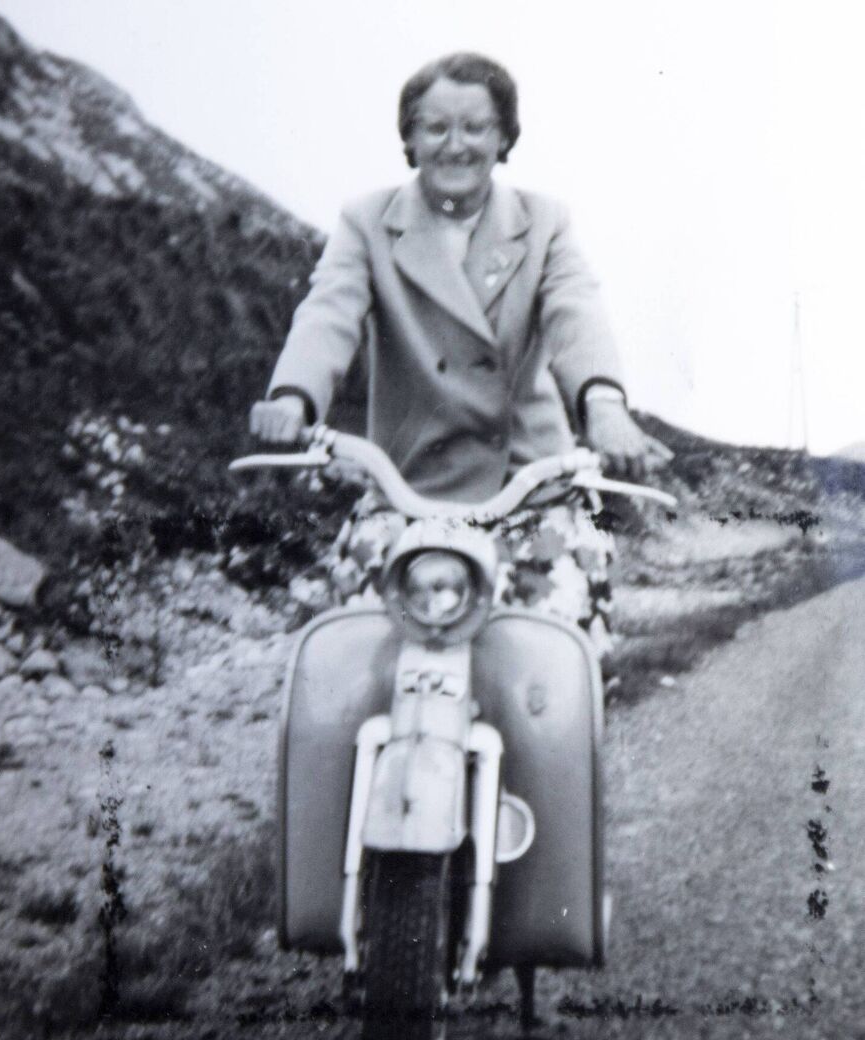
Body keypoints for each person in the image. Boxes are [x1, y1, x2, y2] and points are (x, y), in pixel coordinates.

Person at [250, 52, 671, 652]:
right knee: (350, 647)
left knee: (561, 659)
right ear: (410, 139)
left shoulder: (544, 222)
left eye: (475, 127)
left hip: (529, 487)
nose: (456, 145)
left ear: (504, 138)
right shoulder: (367, 222)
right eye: (435, 127)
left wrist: (604, 406)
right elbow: (328, 312)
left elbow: (575, 310)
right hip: (408, 487)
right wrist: (293, 395)